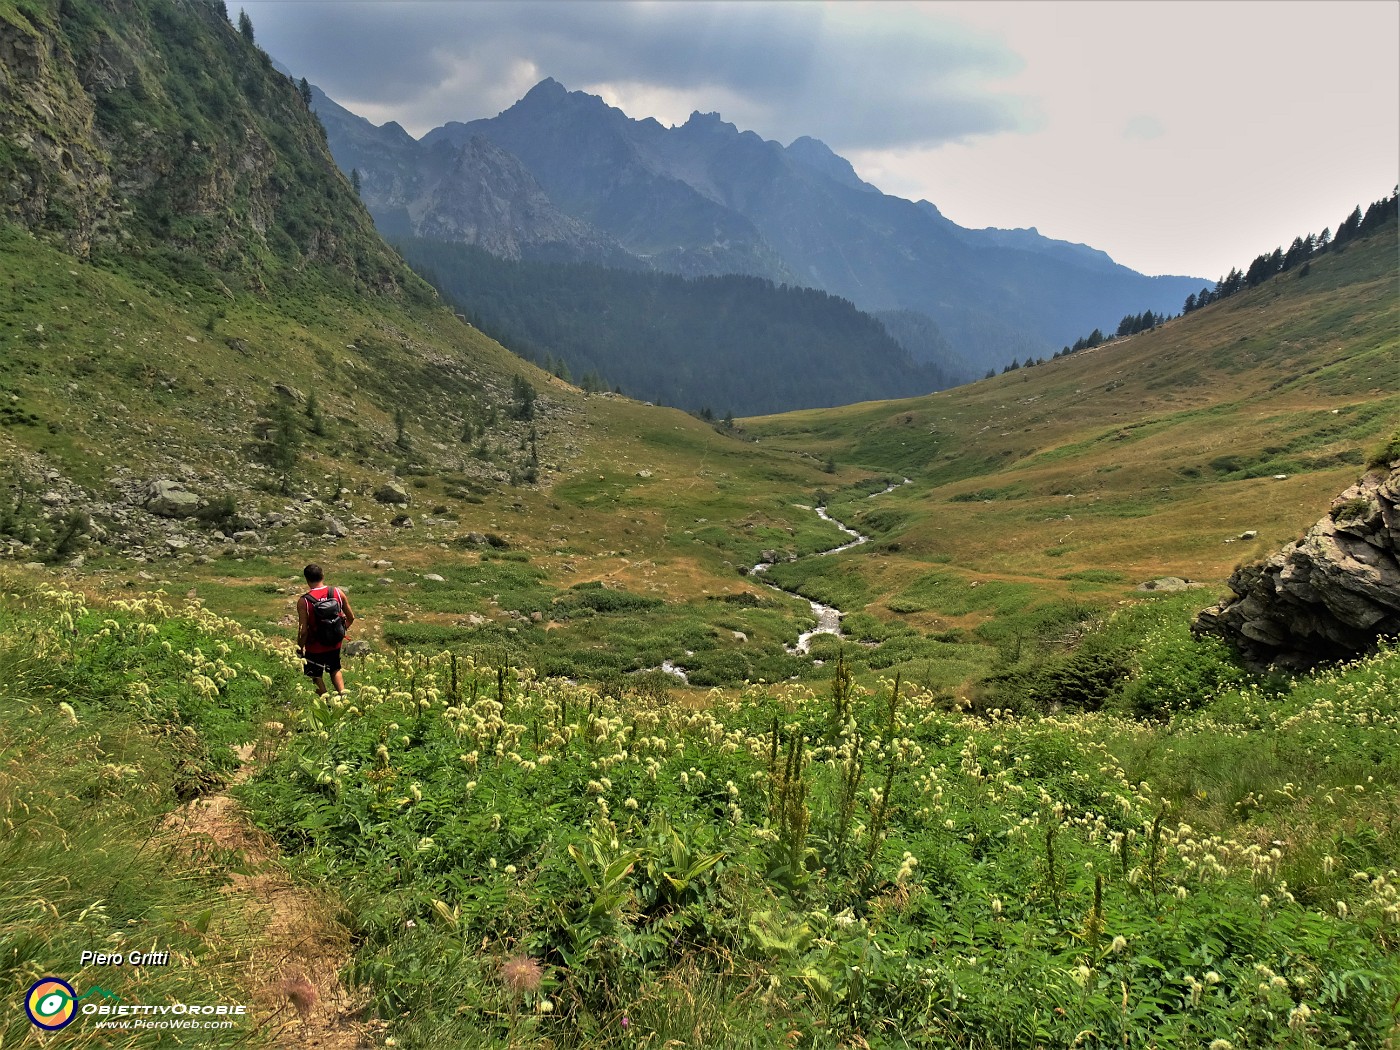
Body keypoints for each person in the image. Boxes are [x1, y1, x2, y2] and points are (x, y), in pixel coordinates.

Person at [296, 563, 356, 695]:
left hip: (314, 646)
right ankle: (343, 697)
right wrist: (339, 631)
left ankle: (326, 704)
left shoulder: (304, 601)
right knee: (335, 669)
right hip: (334, 643)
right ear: (322, 575)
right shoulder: (337, 593)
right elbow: (351, 617)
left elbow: (303, 630)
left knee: (315, 675)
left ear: (306, 579)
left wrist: (299, 648)